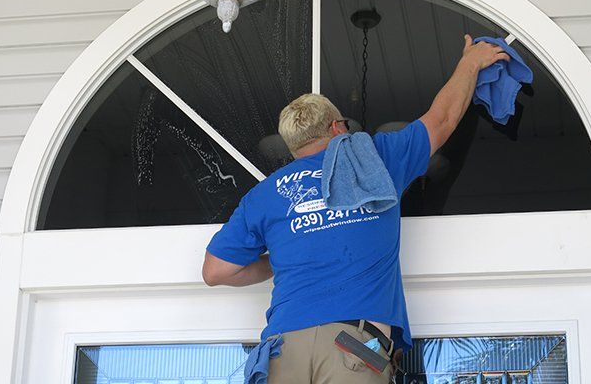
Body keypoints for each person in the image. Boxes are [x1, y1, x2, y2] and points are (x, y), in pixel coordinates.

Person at [202, 34, 510, 383]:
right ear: (336, 128)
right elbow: (441, 120)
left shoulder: (265, 194)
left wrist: (278, 259)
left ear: (293, 147)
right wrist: (470, 63)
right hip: (353, 345)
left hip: (282, 349)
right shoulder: (376, 160)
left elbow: (216, 271)